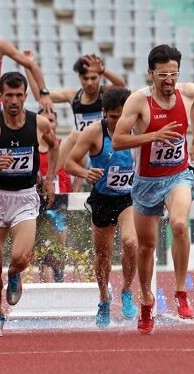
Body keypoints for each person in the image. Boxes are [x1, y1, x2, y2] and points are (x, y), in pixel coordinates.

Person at [112, 44, 194, 335]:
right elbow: (117, 140)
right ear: (151, 73)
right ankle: (146, 301)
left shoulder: (187, 92)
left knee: (179, 224)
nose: (169, 79)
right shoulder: (138, 102)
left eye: (173, 73)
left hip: (178, 174)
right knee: (146, 246)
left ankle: (180, 291)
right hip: (146, 182)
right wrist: (153, 136)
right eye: (163, 74)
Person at [0, 72, 57, 337]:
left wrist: (50, 179)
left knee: (20, 258)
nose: (14, 100)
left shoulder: (38, 124)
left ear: (25, 95)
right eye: (8, 95)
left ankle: (15, 274)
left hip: (24, 197)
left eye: (19, 95)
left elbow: (55, 146)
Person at [64, 87, 138, 329]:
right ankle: (104, 299)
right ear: (105, 113)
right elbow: (69, 162)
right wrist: (86, 172)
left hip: (128, 198)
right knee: (103, 255)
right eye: (114, 116)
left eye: (123, 115)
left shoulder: (137, 128)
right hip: (103, 199)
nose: (119, 121)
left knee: (130, 243)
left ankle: (127, 290)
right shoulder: (95, 132)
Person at [23, 50, 126, 172]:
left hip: (103, 150)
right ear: (79, 77)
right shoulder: (73, 96)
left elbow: (121, 85)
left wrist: (102, 70)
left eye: (94, 78)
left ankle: (48, 178)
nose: (89, 83)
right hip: (83, 153)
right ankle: (49, 179)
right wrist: (28, 67)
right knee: (73, 138)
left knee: (74, 135)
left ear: (100, 77)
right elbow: (40, 97)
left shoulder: (106, 93)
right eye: (85, 78)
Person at [36, 108, 79, 283]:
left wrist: (74, 191)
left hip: (61, 202)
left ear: (56, 124)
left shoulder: (62, 145)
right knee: (44, 249)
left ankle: (59, 281)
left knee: (59, 249)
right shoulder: (33, 147)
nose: (48, 123)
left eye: (51, 120)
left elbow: (82, 165)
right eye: (44, 120)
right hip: (40, 202)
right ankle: (46, 287)